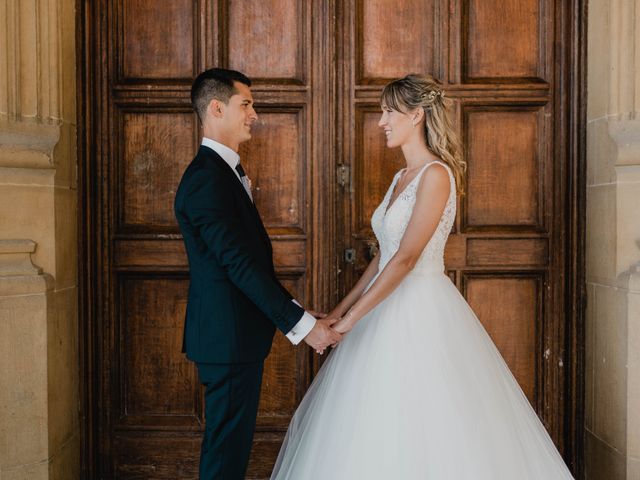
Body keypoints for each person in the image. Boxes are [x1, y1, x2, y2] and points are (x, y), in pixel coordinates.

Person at [271, 74, 575, 479]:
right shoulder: (400, 178)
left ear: (416, 115)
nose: (381, 121)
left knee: (430, 416)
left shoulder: (437, 175)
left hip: (422, 308)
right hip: (383, 306)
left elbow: (407, 258)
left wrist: (349, 322)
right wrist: (336, 313)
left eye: (388, 112)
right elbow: (383, 257)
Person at [174, 68, 342, 480]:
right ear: (216, 108)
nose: (255, 114)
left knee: (230, 450)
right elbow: (238, 266)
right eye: (245, 104)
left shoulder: (223, 173)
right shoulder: (205, 180)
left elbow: (245, 261)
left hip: (234, 338)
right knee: (225, 457)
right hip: (226, 340)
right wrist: (303, 327)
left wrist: (300, 310)